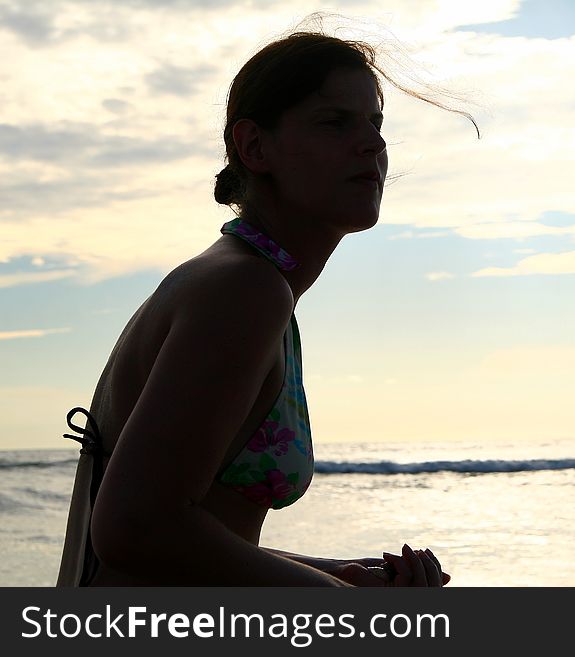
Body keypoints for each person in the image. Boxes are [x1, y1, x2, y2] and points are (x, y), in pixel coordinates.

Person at [56, 23, 476, 587]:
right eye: (334, 123)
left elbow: (196, 543)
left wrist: (344, 575)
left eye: (375, 125)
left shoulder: (242, 283)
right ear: (254, 146)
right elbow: (136, 530)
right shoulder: (241, 292)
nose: (373, 145)